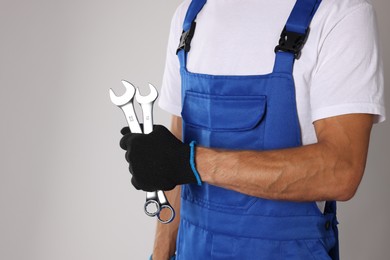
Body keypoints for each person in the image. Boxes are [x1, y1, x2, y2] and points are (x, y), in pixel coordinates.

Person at [120, 0, 385, 259]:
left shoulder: (339, 13)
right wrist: (160, 254)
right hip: (193, 249)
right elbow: (173, 158)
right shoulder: (188, 18)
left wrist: (193, 162)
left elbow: (341, 171)